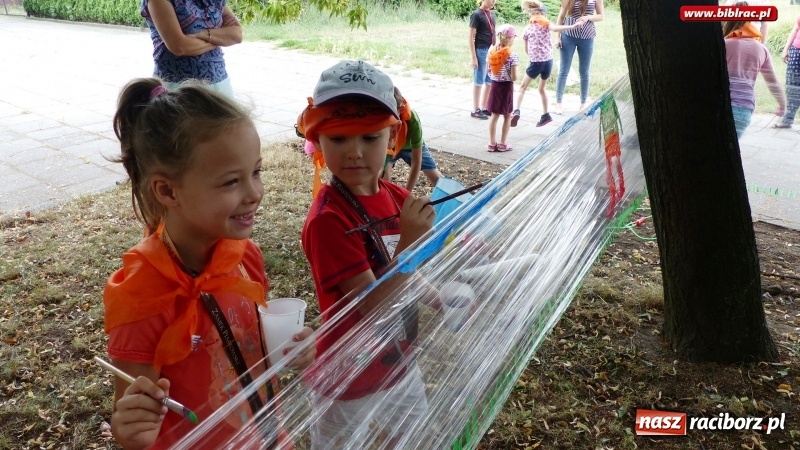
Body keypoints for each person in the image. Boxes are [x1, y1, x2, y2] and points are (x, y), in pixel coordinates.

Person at [104, 78, 314, 450]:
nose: (254, 193)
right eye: (232, 181)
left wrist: (293, 349)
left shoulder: (243, 256)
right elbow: (133, 420)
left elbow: (249, 347)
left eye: (256, 172)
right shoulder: (141, 295)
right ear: (167, 191)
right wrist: (130, 430)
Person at [296, 60, 436, 448]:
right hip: (347, 377)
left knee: (414, 438)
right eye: (339, 139)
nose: (354, 153)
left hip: (397, 363)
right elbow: (372, 307)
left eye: (369, 138)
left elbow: (399, 271)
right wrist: (410, 244)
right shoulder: (328, 221)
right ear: (318, 141)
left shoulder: (397, 198)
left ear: (392, 138)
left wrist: (440, 300)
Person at [141, 0, 243, 97]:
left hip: (220, 85)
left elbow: (237, 35)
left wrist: (202, 35)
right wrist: (221, 38)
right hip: (177, 89)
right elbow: (179, 47)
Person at [512, 0, 579, 128]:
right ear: (543, 13)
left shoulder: (527, 29)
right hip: (548, 62)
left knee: (522, 88)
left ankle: (516, 110)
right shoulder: (546, 24)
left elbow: (526, 49)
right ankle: (545, 115)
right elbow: (556, 28)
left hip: (536, 63)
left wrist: (533, 55)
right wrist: (571, 26)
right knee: (541, 89)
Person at [723, 13, 785, 138]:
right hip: (744, 110)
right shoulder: (761, 49)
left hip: (720, 105)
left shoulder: (723, 45)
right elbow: (773, 82)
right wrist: (782, 104)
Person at [382, 87, 445, 190]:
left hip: (410, 147)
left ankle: (459, 198)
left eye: (392, 113)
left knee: (437, 178)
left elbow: (416, 162)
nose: (389, 119)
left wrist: (407, 194)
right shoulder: (381, 120)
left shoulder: (412, 119)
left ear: (401, 109)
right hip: (390, 147)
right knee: (384, 178)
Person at [554, 0, 605, 114]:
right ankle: (558, 103)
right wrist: (557, 37)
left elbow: (601, 16)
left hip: (587, 37)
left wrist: (587, 17)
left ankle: (583, 104)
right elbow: (561, 16)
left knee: (584, 71)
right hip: (568, 36)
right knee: (564, 70)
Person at [486, 24, 520, 152]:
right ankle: (502, 144)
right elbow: (514, 77)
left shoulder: (491, 52)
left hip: (494, 86)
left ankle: (491, 143)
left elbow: (488, 70)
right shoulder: (512, 56)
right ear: (510, 39)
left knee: (494, 116)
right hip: (506, 87)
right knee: (507, 115)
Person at [469, 0, 497, 120]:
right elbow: (470, 37)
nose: (493, 2)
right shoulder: (476, 14)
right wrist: (473, 57)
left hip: (492, 51)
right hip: (481, 50)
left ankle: (485, 107)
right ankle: (475, 109)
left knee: (489, 80)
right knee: (479, 80)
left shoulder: (492, 14)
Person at [774, 14, 800, 130]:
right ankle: (788, 119)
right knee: (791, 86)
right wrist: (786, 49)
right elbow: (796, 28)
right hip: (796, 50)